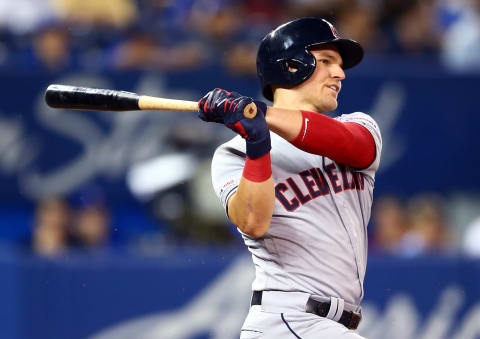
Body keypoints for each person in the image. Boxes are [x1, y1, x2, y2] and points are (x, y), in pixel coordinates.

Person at [198, 17, 382, 338]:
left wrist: (263, 116)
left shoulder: (360, 125)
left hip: (331, 324)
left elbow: (354, 146)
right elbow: (253, 221)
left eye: (339, 65)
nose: (339, 73)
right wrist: (258, 143)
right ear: (292, 66)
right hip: (287, 320)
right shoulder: (234, 152)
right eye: (326, 61)